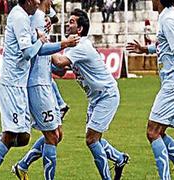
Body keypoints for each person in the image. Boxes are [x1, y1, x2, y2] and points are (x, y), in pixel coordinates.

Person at [0, 1, 79, 179]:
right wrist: (63, 44)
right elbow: (33, 51)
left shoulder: (38, 14)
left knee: (26, 138)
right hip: (31, 84)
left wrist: (50, 23)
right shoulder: (30, 16)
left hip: (33, 83)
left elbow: (54, 19)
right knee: (49, 136)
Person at [51, 9, 129, 180]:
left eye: (71, 21)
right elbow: (61, 71)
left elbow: (59, 61)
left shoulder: (81, 46)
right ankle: (119, 158)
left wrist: (41, 46)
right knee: (95, 140)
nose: (67, 24)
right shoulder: (73, 47)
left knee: (91, 140)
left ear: (79, 29)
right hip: (95, 98)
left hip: (106, 96)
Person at [126, 0, 174, 179]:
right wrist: (145, 49)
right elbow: (165, 46)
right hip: (172, 82)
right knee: (159, 131)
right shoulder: (167, 15)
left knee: (152, 131)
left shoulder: (168, 19)